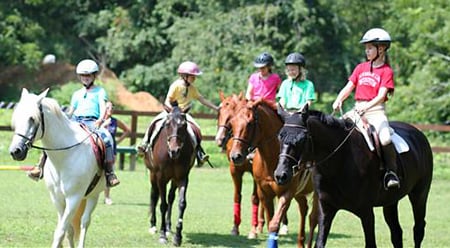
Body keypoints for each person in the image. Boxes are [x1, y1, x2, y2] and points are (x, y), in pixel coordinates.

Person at [28, 59, 120, 187]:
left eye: (88, 75)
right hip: (75, 121)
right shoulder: (77, 94)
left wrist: (100, 119)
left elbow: (103, 106)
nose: (85, 78)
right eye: (83, 75)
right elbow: (71, 111)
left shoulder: (100, 91)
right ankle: (39, 167)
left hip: (92, 122)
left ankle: (110, 173)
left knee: (106, 139)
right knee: (54, 139)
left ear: (94, 76)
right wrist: (63, 118)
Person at [332, 28, 400, 189]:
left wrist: (367, 107)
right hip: (357, 109)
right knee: (336, 133)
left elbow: (381, 96)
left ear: (381, 48)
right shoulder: (360, 68)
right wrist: (338, 99)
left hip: (376, 111)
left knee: (385, 139)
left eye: (370, 48)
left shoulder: (386, 71)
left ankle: (391, 172)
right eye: (366, 48)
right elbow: (349, 87)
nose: (366, 51)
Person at [138, 61, 219, 166]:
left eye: (194, 76)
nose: (194, 78)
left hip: (183, 114)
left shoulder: (192, 89)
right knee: (155, 123)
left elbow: (202, 99)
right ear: (184, 76)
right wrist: (171, 111)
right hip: (171, 112)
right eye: (192, 76)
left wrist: (215, 108)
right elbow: (168, 100)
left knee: (196, 128)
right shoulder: (175, 85)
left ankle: (199, 153)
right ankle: (144, 144)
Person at [102, 101, 131, 204]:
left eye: (112, 107)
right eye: (108, 107)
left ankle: (107, 197)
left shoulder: (114, 121)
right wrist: (103, 125)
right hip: (98, 149)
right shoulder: (99, 120)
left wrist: (117, 141)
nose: (111, 109)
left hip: (111, 150)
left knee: (109, 171)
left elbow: (127, 130)